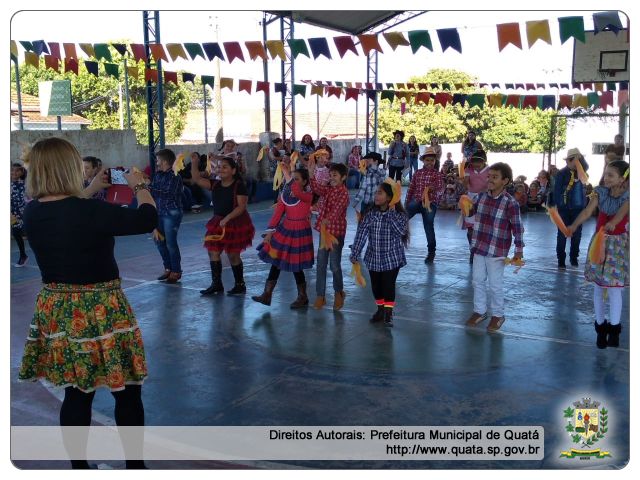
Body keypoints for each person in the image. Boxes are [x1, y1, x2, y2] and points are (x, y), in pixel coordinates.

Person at [18, 137, 157, 469]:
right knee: (127, 390)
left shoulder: (33, 211)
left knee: (76, 392)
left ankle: (79, 468)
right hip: (101, 308)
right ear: (68, 167)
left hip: (58, 309)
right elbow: (146, 219)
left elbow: (67, 209)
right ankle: (135, 467)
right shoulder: (90, 211)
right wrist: (140, 186)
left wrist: (92, 187)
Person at [566, 160, 629, 349]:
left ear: (622, 179)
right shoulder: (600, 192)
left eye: (611, 175)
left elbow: (621, 214)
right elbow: (587, 211)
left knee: (615, 289)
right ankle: (600, 328)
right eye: (605, 173)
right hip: (598, 245)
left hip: (617, 246)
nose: (606, 178)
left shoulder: (629, 196)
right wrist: (574, 225)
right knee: (598, 287)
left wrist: (613, 223)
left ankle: (614, 330)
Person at [464, 162, 524, 332]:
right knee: (477, 280)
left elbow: (517, 227)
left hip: (497, 250)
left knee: (495, 284)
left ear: (505, 181)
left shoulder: (510, 203)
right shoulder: (480, 197)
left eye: (495, 177)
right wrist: (465, 205)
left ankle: (498, 314)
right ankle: (480, 311)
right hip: (479, 246)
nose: (490, 180)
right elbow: (470, 213)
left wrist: (519, 250)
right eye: (489, 176)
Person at [190, 156, 255, 296]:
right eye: (219, 167)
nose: (221, 169)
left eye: (225, 167)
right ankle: (217, 284)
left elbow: (241, 207)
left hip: (235, 222)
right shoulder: (215, 184)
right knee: (213, 251)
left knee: (233, 254)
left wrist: (227, 218)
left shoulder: (239, 185)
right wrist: (194, 162)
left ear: (233, 170)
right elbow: (196, 178)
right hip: (218, 222)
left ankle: (240, 284)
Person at [253, 163, 314, 308]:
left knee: (296, 265)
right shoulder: (285, 196)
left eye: (297, 179)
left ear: (305, 182)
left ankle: (303, 296)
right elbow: (277, 214)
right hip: (285, 229)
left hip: (300, 231)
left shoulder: (307, 196)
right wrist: (269, 232)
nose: (293, 182)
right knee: (276, 261)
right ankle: (267, 294)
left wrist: (286, 173)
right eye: (292, 178)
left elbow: (297, 191)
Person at [350, 182, 409, 327]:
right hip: (373, 258)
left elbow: (400, 232)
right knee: (376, 287)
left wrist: (391, 214)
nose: (376, 195)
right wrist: (355, 252)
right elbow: (361, 234)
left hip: (392, 258)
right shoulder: (370, 214)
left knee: (388, 285)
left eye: (380, 193)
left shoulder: (400, 215)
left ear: (389, 197)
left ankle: (388, 313)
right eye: (376, 192)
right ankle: (380, 310)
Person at [308, 161, 350, 311]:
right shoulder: (327, 189)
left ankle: (339, 292)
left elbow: (337, 211)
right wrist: (311, 173)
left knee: (334, 265)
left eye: (335, 175)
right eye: (331, 175)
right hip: (324, 232)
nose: (332, 178)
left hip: (336, 233)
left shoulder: (344, 193)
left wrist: (327, 220)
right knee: (321, 263)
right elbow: (316, 188)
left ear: (343, 177)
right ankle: (320, 295)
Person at [148, 148, 184, 284]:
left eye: (158, 160)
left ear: (164, 161)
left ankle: (176, 270)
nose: (156, 162)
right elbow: (154, 192)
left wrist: (149, 187)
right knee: (159, 240)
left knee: (170, 242)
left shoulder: (174, 175)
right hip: (159, 212)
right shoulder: (158, 175)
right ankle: (168, 267)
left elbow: (167, 193)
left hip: (171, 212)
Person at [550, 148, 589, 269]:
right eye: (574, 161)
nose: (577, 163)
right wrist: (557, 206)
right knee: (562, 235)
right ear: (568, 161)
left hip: (578, 209)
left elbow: (586, 167)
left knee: (577, 235)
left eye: (579, 161)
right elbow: (557, 191)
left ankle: (574, 257)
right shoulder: (561, 174)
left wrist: (580, 160)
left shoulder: (581, 173)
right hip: (564, 209)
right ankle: (561, 259)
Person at [405, 147, 445, 264]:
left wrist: (434, 190)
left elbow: (441, 189)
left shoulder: (437, 174)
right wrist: (406, 202)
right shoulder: (417, 173)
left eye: (432, 160)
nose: (430, 163)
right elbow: (411, 188)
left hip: (430, 203)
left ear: (435, 161)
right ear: (423, 161)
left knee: (428, 226)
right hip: (417, 201)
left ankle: (431, 252)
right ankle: (394, 242)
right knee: (401, 218)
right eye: (427, 160)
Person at [462, 150, 490, 263]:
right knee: (470, 228)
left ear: (484, 161)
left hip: (485, 200)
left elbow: (490, 185)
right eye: (474, 162)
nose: (476, 164)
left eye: (479, 162)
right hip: (470, 200)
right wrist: (464, 181)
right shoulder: (468, 170)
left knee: (484, 227)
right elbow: (465, 182)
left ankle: (482, 250)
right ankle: (472, 250)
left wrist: (483, 192)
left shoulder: (489, 171)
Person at [352, 152, 386, 216]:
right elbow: (362, 188)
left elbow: (378, 174)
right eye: (366, 160)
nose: (366, 161)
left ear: (376, 161)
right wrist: (356, 200)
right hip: (365, 203)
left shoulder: (381, 172)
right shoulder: (366, 173)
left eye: (369, 160)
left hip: (376, 204)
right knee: (363, 219)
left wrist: (371, 166)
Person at [11, 162, 28, 266]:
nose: (14, 172)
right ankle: (23, 256)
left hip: (22, 215)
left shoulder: (24, 184)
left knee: (20, 234)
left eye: (17, 170)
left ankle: (23, 256)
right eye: (12, 170)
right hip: (12, 215)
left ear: (22, 172)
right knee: (16, 234)